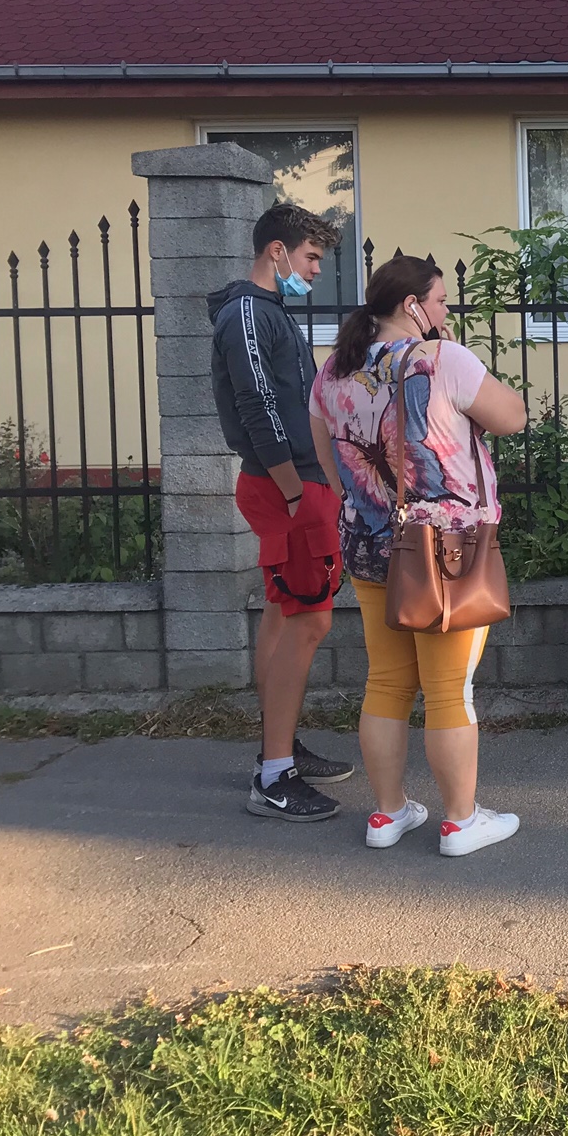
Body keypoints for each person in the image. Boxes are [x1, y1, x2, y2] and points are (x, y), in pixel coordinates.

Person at [308, 255, 529, 857]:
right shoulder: (441, 360)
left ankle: (387, 814)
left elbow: (329, 460)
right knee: (450, 690)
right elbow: (513, 416)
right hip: (445, 551)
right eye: (441, 300)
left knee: (385, 681)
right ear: (413, 305)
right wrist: (454, 352)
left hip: (370, 544)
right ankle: (460, 822)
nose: (446, 310)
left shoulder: (335, 369)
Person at [210, 202, 353, 822]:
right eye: (311, 257)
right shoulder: (247, 312)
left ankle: (280, 745)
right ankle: (274, 776)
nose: (316, 269)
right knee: (309, 622)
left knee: (284, 612)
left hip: (294, 482)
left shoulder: (266, 311)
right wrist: (295, 490)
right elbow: (257, 403)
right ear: (277, 251)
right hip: (286, 486)